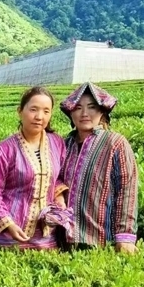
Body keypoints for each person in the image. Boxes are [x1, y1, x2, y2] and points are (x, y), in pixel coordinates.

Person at [0, 86, 71, 249]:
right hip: (9, 235)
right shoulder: (5, 149)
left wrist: (59, 197)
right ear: (20, 111)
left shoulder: (57, 143)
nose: (39, 116)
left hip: (45, 236)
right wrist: (8, 224)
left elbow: (58, 177)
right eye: (33, 109)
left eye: (46, 111)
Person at [59, 82, 139, 252]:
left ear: (102, 112)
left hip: (101, 241)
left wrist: (125, 236)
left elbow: (127, 190)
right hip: (63, 242)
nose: (84, 113)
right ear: (71, 113)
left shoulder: (116, 143)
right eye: (78, 108)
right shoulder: (64, 145)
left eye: (92, 107)